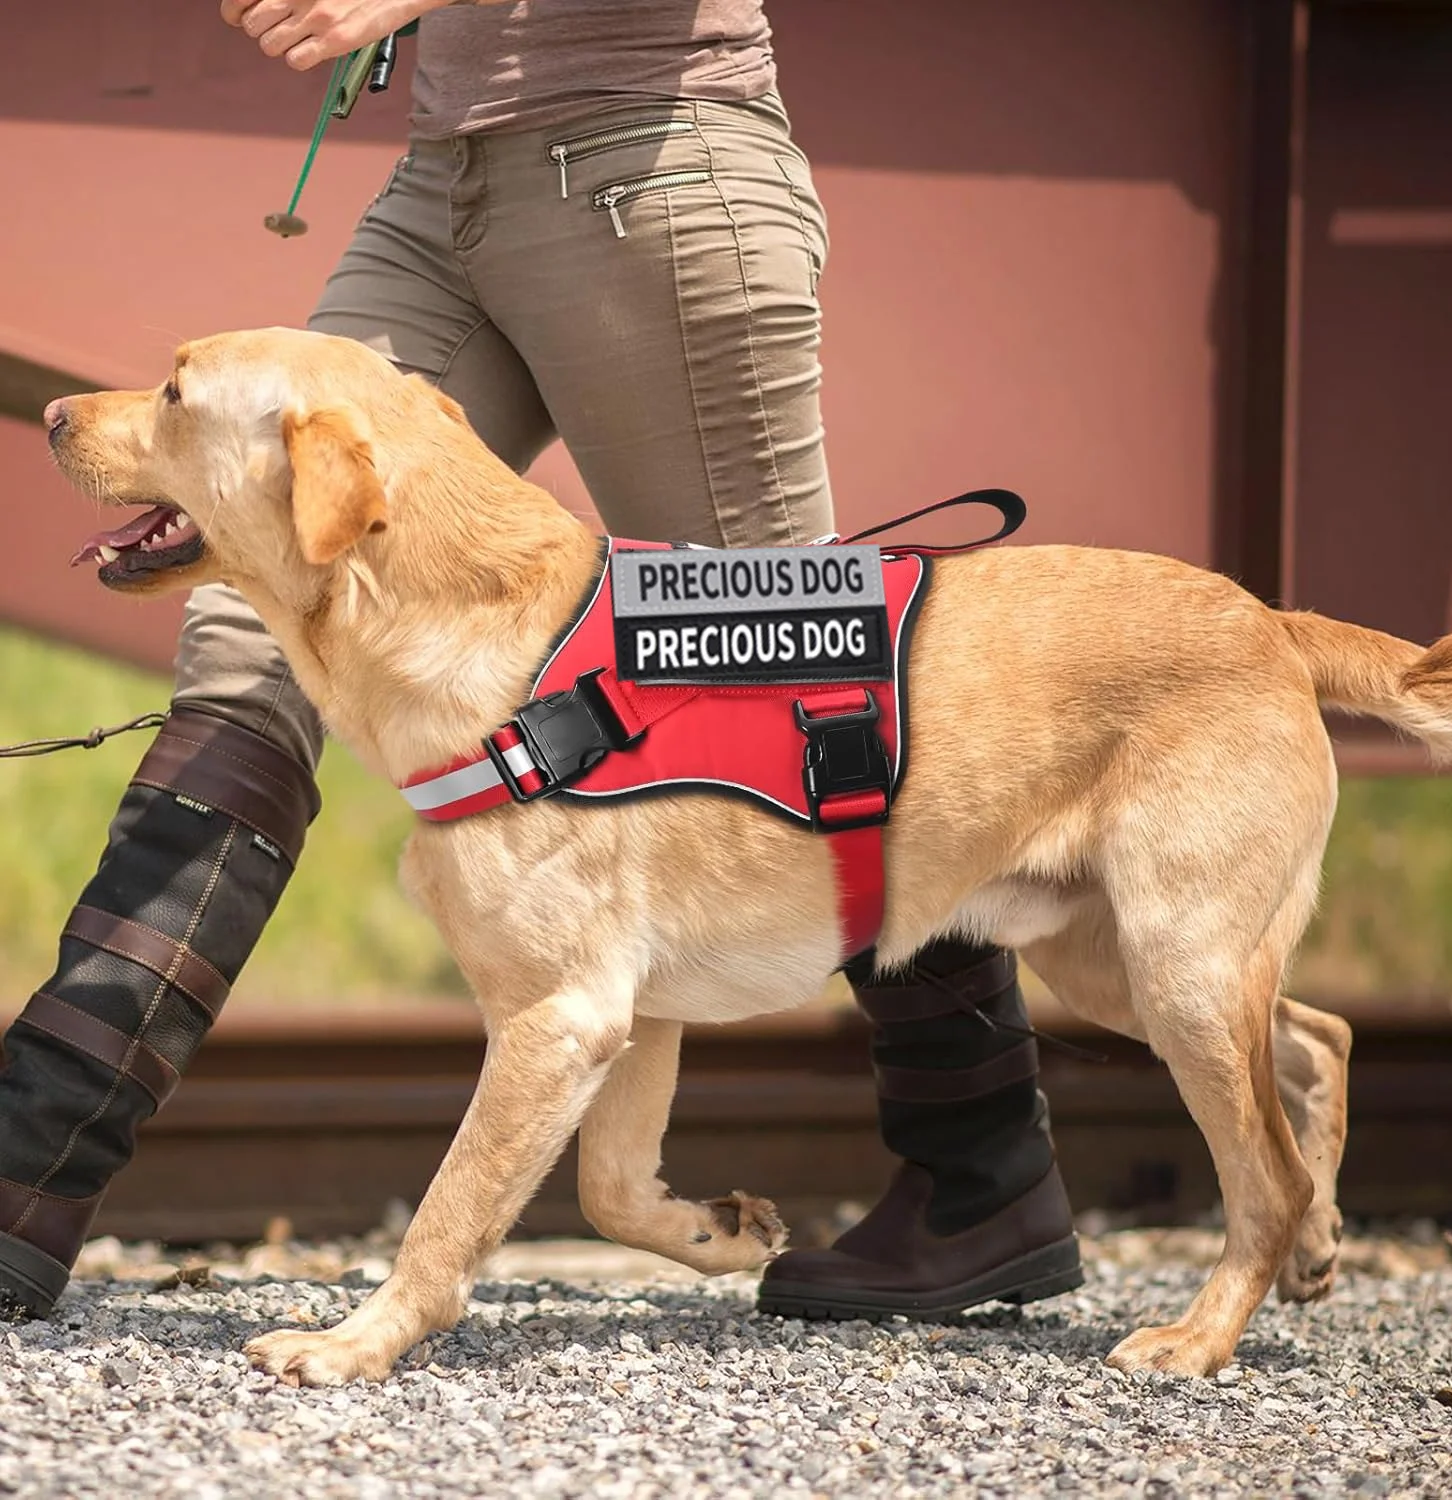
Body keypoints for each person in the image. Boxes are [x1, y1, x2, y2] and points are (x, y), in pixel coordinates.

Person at [0, 0, 1081, 1324]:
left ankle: (984, 1180)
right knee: (248, 625)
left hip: (651, 167)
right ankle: (24, 1174)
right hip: (447, 178)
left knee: (806, 682)